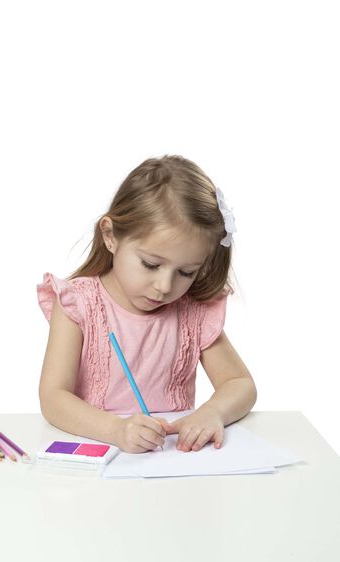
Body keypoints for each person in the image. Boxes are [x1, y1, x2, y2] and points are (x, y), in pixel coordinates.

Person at [37, 155, 257, 454]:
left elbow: (240, 383)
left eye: (186, 272)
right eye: (151, 264)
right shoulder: (78, 304)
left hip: (172, 460)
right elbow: (53, 398)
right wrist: (116, 430)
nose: (165, 286)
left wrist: (212, 412)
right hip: (98, 456)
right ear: (110, 236)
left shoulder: (193, 312)